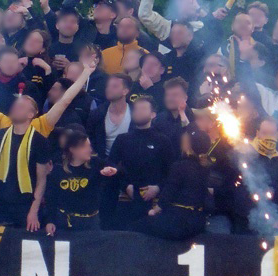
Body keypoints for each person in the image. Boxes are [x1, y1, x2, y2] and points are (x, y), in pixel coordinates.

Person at [0, 53, 98, 229]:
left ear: (32, 114)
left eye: (21, 106)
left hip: (28, 203)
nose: (15, 107)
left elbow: (65, 100)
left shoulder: (41, 126)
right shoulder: (3, 124)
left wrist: (86, 73)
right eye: (15, 105)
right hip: (2, 201)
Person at [107, 96, 175, 229]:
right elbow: (111, 167)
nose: (138, 112)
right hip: (126, 199)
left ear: (153, 114)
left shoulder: (162, 141)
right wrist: (125, 186)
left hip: (154, 201)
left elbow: (171, 172)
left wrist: (158, 187)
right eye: (136, 109)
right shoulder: (122, 139)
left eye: (143, 109)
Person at [133, 128, 211, 240]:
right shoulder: (205, 168)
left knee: (137, 226)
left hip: (179, 221)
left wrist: (154, 210)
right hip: (198, 221)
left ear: (188, 145)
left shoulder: (180, 166)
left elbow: (169, 192)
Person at [44, 130, 117, 234]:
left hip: (90, 221)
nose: (89, 150)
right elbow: (51, 196)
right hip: (64, 220)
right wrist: (50, 221)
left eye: (89, 146)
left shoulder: (95, 163)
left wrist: (111, 170)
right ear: (72, 149)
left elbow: (115, 168)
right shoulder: (58, 167)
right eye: (84, 147)